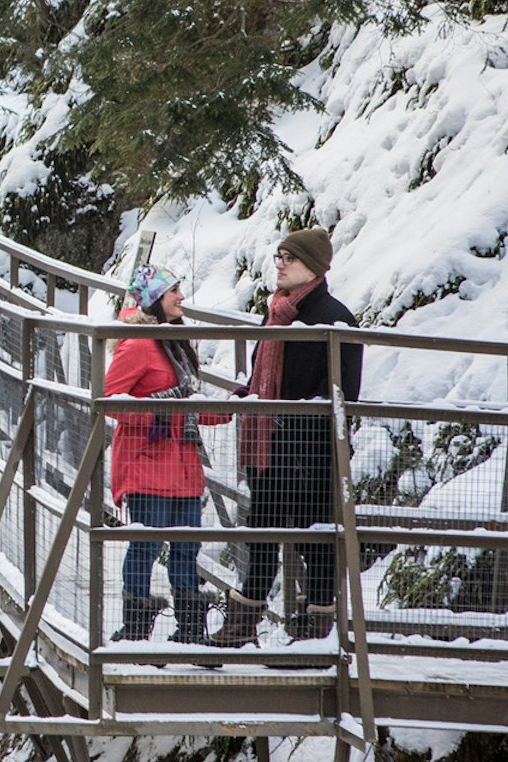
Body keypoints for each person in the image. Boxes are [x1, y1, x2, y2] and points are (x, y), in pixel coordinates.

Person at [213, 226, 364, 645]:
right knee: (261, 535)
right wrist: (247, 396)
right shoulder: (278, 312)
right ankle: (242, 626)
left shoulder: (333, 318)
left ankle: (316, 633)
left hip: (311, 455)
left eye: (288, 258)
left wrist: (287, 418)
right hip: (270, 451)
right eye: (278, 256)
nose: (279, 264)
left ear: (312, 267)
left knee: (314, 544)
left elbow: (344, 392)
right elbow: (263, 372)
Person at [106, 265, 227, 643]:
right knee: (146, 546)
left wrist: (234, 406)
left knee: (186, 549)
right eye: (174, 290)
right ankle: (136, 629)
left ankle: (190, 630)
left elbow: (187, 405)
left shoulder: (175, 342)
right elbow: (111, 401)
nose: (181, 297)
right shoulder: (140, 342)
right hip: (147, 466)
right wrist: (158, 413)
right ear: (155, 298)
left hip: (183, 468)